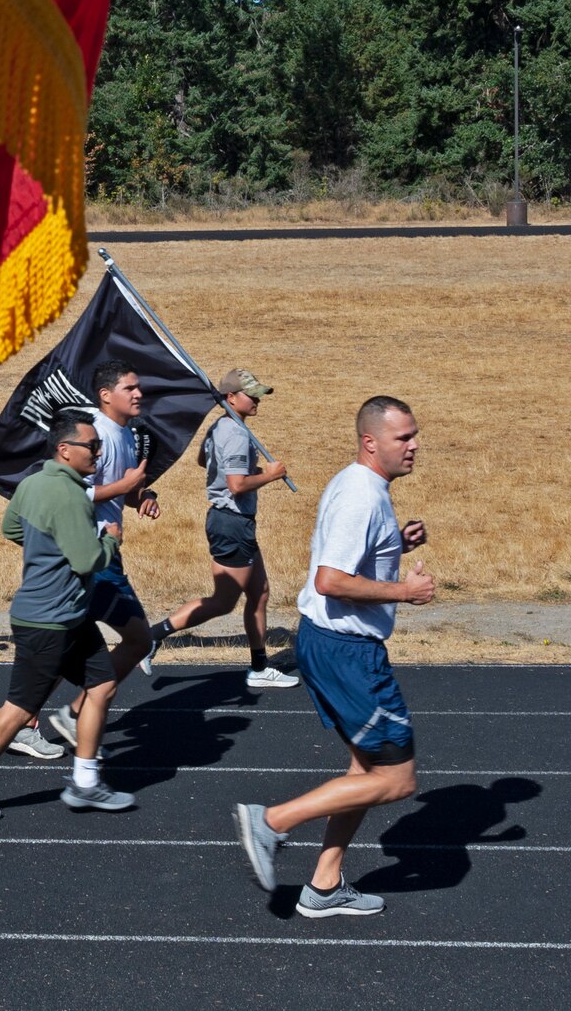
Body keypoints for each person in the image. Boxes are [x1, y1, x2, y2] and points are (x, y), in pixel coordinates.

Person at [234, 396, 432, 917]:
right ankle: (271, 821)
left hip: (331, 644)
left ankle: (324, 886)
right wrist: (404, 593)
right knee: (396, 778)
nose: (414, 446)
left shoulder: (360, 485)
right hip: (347, 651)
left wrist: (395, 546)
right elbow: (331, 580)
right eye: (403, 438)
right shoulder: (361, 498)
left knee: (364, 768)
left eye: (414, 435)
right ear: (371, 442)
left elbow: (347, 560)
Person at [0, 414, 136, 821]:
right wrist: (110, 541)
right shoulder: (67, 496)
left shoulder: (33, 484)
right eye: (92, 447)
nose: (99, 453)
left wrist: (46, 548)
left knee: (101, 685)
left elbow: (12, 528)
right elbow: (87, 559)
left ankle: (85, 783)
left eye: (99, 445)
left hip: (69, 616)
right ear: (65, 450)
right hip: (47, 621)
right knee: (18, 708)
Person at [142, 369, 298, 685]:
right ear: (230, 397)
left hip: (232, 522)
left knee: (260, 592)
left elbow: (204, 460)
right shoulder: (238, 434)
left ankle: (259, 667)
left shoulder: (221, 426)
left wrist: (240, 470)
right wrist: (271, 474)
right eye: (250, 394)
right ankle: (153, 636)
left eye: (258, 393)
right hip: (232, 524)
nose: (256, 400)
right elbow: (238, 485)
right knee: (223, 602)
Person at [46, 362, 158, 747]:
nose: (138, 393)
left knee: (69, 644)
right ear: (106, 395)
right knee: (138, 640)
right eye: (130, 388)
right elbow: (72, 492)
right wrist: (124, 487)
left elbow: (119, 488)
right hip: (92, 553)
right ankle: (73, 714)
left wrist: (142, 496)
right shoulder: (94, 435)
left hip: (104, 552)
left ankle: (49, 718)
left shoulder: (124, 433)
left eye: (138, 386)